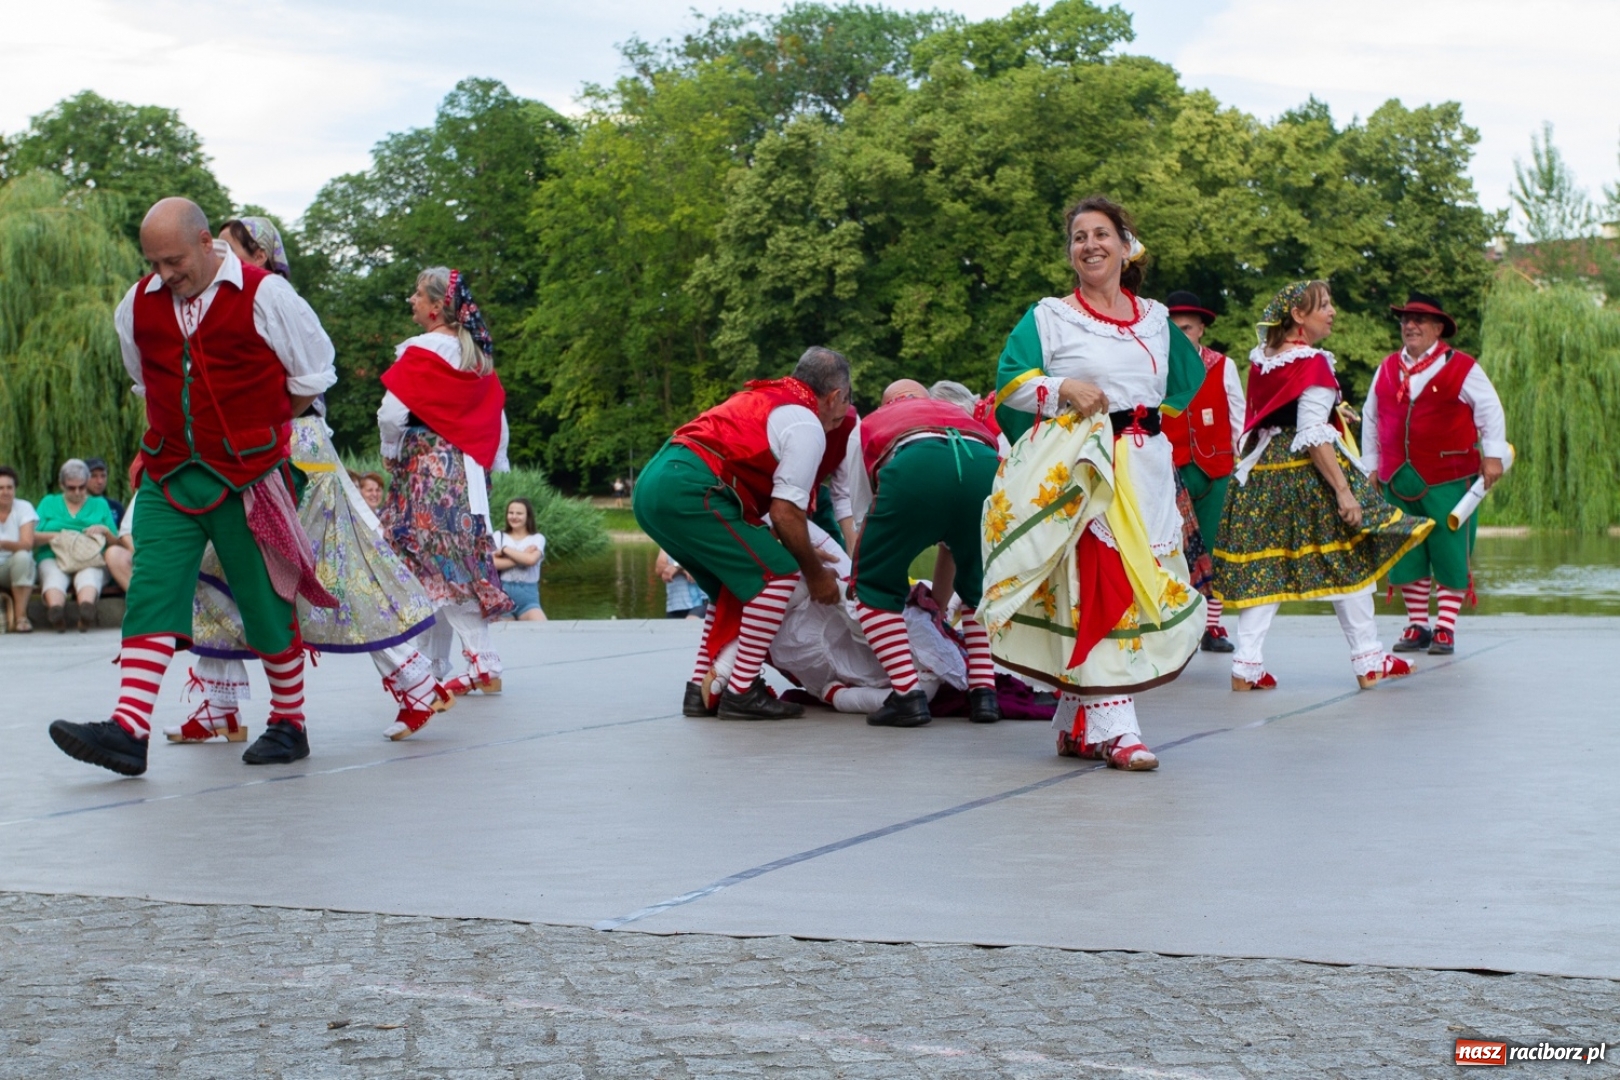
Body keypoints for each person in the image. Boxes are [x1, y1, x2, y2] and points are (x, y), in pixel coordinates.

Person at [47, 197, 338, 777]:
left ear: (207, 243)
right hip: (168, 470)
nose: (164, 274)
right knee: (152, 587)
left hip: (247, 474)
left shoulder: (267, 296)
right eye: (154, 262)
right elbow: (145, 379)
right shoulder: (137, 304)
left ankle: (289, 721)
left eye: (174, 260)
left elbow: (310, 377)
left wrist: (257, 428)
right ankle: (129, 729)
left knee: (262, 597)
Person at [983, 195, 1207, 771]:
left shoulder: (1156, 319)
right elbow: (1009, 383)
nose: (1090, 245)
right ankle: (1118, 729)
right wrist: (1062, 389)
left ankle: (1074, 719)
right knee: (1103, 584)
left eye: (1102, 234)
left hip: (1148, 471)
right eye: (1079, 237)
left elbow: (1186, 378)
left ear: (1125, 244)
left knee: (1138, 583)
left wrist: (1149, 427)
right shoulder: (1051, 316)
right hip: (1089, 471)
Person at [1210, 281, 1433, 691]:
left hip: (1262, 474)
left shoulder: (1263, 359)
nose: (1332, 311)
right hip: (1306, 475)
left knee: (1266, 567)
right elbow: (1312, 433)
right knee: (1350, 559)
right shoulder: (1313, 363)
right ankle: (1368, 659)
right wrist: (1344, 491)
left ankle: (1245, 666)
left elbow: (1278, 417)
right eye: (1324, 305)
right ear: (1298, 315)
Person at [633, 347, 858, 721]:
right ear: (835, 396)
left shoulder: (765, 396)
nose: (845, 411)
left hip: (656, 483)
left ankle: (699, 691)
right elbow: (785, 513)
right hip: (691, 487)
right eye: (847, 400)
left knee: (734, 585)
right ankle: (741, 691)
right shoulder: (806, 425)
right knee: (778, 574)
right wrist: (817, 575)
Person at [378, 267, 513, 698]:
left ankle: (480, 660)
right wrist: (493, 463)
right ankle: (434, 664)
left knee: (433, 564)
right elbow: (498, 420)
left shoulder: (420, 351)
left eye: (417, 295)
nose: (411, 301)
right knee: (446, 564)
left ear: (436, 308)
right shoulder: (477, 359)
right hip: (468, 472)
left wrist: (390, 449)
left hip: (426, 471)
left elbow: (392, 413)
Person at [1362, 293, 1508, 656]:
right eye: (1406, 319)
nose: (1410, 325)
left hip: (1449, 476)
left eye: (1420, 320)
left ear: (1438, 328)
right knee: (1407, 549)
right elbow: (1371, 417)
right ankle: (1417, 623)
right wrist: (1371, 466)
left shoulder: (1462, 366)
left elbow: (1490, 410)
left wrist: (1492, 457)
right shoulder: (1386, 368)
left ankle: (1444, 627)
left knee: (1448, 549)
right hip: (1398, 476)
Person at [851, 380, 1003, 726]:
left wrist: (864, 568)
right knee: (978, 584)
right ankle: (984, 693)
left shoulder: (873, 421)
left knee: (872, 583)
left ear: (885, 402)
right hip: (983, 464)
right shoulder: (955, 412)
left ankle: (907, 695)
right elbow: (952, 548)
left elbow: (864, 513)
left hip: (915, 466)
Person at [1159, 291, 1245, 653]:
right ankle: (1177, 627)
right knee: (1171, 551)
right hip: (1169, 472)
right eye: (1174, 330)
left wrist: (1244, 464)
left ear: (1202, 330)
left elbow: (1239, 418)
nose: (1181, 336)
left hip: (1216, 470)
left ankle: (1212, 627)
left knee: (1214, 547)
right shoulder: (1157, 369)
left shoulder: (1222, 366)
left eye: (1188, 329)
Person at [34, 458, 120, 632]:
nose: (78, 492)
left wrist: (104, 530)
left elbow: (116, 543)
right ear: (62, 485)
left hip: (90, 556)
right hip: (53, 555)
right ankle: (56, 610)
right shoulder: (48, 502)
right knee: (53, 575)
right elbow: (32, 537)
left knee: (90, 574)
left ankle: (86, 609)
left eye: (81, 487)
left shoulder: (100, 504)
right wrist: (60, 536)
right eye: (71, 488)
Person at [492, 497, 546, 622]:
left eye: (519, 513)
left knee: (543, 630)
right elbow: (492, 564)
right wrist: (522, 556)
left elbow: (531, 560)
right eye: (511, 513)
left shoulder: (537, 538)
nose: (514, 516)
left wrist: (505, 550)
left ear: (528, 516)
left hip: (528, 600)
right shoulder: (498, 536)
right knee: (503, 637)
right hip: (502, 598)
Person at [0, 466, 38, 632]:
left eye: (9, 487)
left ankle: (21, 617)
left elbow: (27, 543)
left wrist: (1, 544)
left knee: (23, 557)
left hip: (13, 566)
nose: (5, 492)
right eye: (0, 488)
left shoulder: (24, 508)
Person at [657, 550, 709, 619]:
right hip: (675, 605)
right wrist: (681, 568)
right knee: (674, 629)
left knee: (690, 624)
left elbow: (705, 562)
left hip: (700, 602)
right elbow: (659, 569)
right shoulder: (669, 541)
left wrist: (678, 566)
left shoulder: (701, 540)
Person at [84, 458, 125, 530]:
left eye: (103, 476)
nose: (100, 481)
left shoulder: (116, 507)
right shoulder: (75, 506)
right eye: (93, 476)